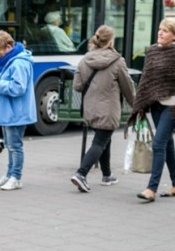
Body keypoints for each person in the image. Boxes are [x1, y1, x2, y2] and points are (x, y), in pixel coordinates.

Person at [70, 25, 135, 193]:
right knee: (100, 142)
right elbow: (127, 87)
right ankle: (81, 174)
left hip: (90, 108)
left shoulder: (85, 59)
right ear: (111, 41)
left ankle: (107, 175)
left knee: (105, 139)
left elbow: (77, 86)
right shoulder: (117, 61)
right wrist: (136, 104)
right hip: (108, 109)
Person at [128, 18, 175, 202]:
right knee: (167, 144)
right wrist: (142, 101)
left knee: (158, 144)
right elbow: (147, 79)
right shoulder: (152, 51)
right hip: (155, 104)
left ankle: (151, 188)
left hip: (172, 106)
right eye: (159, 30)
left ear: (173, 35)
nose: (160, 33)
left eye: (165, 30)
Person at [0, 30, 37, 191]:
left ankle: (16, 177)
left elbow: (18, 88)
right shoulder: (11, 60)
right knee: (10, 145)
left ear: (8, 46)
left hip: (16, 112)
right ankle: (9, 174)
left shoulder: (19, 63)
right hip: (10, 111)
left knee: (15, 145)